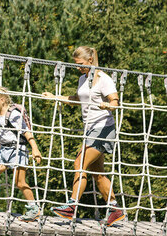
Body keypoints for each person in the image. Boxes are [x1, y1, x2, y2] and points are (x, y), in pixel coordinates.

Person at [41, 46, 125, 226]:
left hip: (103, 128)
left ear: (90, 61)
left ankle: (71, 206)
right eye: (76, 64)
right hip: (90, 129)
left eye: (80, 64)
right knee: (97, 174)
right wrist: (55, 97)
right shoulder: (83, 79)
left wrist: (108, 105)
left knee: (79, 164)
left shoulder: (104, 79)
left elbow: (115, 101)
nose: (78, 67)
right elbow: (78, 99)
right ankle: (115, 209)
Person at [0, 86, 43, 221]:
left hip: (17, 151)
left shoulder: (13, 115)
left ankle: (34, 208)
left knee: (20, 182)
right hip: (4, 151)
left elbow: (26, 132)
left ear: (2, 100)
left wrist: (35, 148)